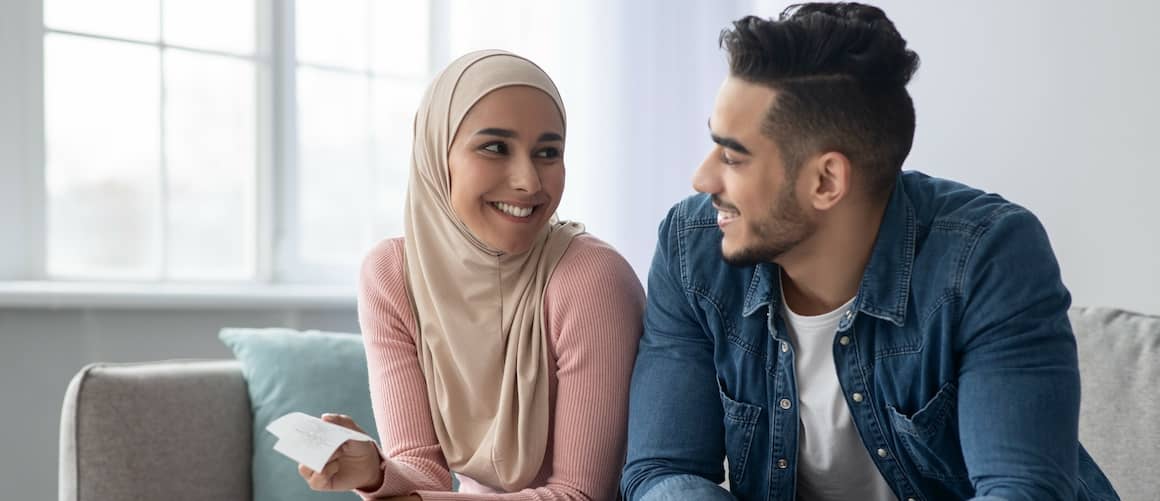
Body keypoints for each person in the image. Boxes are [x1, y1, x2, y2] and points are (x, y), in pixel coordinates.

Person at [621, 4, 1119, 500]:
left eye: (732, 156)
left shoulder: (987, 257)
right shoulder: (694, 246)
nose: (702, 178)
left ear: (826, 180)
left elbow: (1022, 491)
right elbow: (662, 472)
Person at [297, 50, 645, 501]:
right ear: (437, 155)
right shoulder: (392, 276)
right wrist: (376, 472)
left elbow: (580, 495)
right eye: (495, 147)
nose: (529, 182)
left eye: (548, 152)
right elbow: (422, 470)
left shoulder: (590, 280)